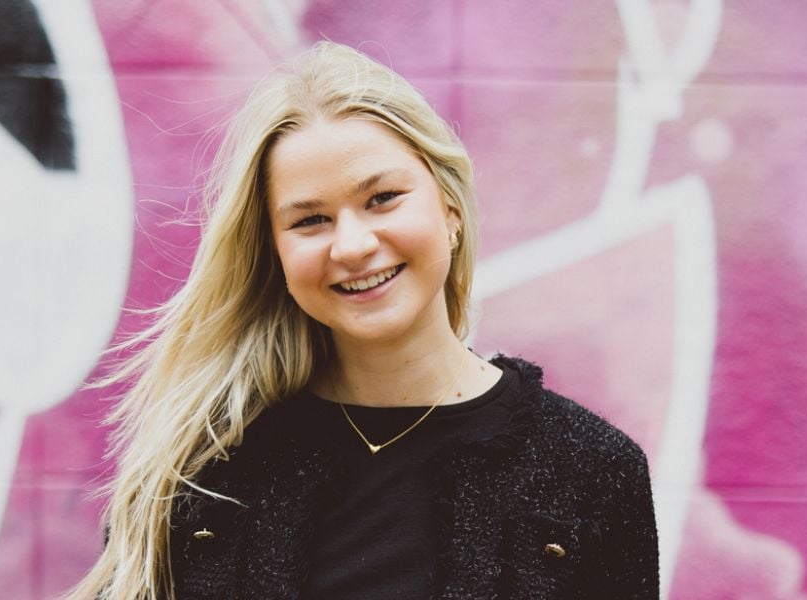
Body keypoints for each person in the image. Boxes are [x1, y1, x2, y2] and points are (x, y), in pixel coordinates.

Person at [67, 41, 658, 599]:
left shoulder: (590, 469)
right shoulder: (201, 472)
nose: (351, 245)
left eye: (382, 199)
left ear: (449, 211)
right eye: (309, 221)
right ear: (274, 252)